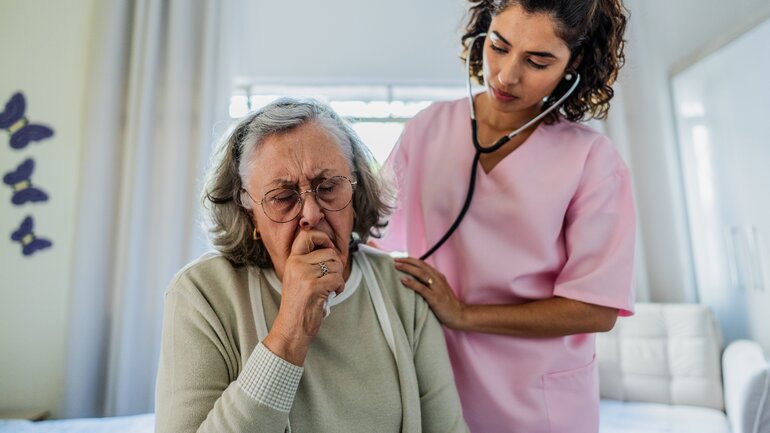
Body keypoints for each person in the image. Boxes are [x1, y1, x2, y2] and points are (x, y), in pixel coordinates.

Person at [377, 1, 636, 432]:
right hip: (438, 379)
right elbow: (368, 233)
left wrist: (463, 313)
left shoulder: (592, 160)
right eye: (498, 46)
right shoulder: (427, 129)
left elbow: (595, 309)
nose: (506, 74)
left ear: (575, 65)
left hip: (539, 401)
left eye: (538, 61)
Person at [155, 97, 468, 433]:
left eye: (328, 187)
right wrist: (290, 332)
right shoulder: (201, 295)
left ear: (355, 191)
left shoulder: (404, 291)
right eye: (283, 197)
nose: (311, 214)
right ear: (251, 215)